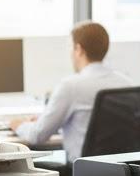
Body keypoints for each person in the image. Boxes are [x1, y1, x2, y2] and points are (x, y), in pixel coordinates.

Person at [9, 21, 131, 162]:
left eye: (71, 48)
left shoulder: (71, 86)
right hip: (122, 171)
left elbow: (38, 135)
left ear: (78, 49)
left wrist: (18, 124)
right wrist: (51, 119)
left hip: (83, 172)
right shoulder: (126, 83)